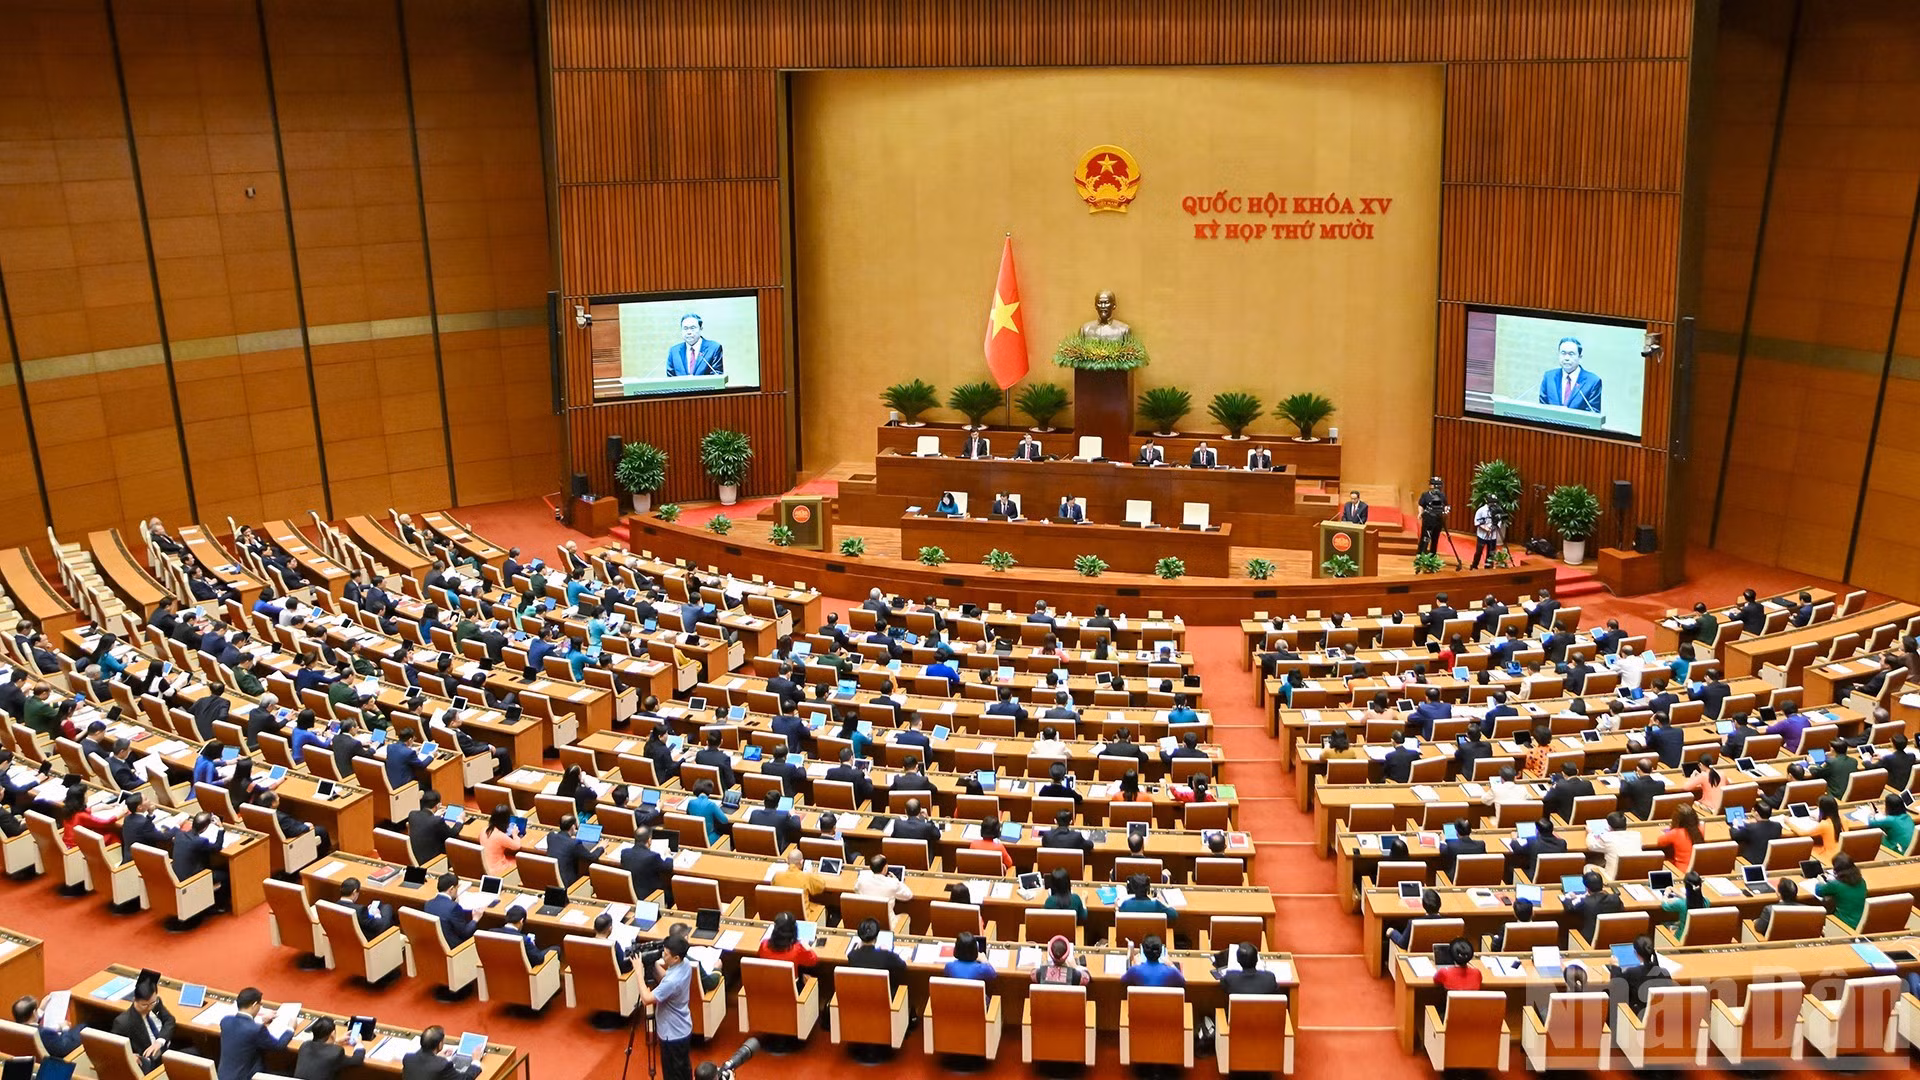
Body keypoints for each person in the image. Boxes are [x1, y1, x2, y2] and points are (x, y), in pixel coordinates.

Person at [218, 986, 294, 1080]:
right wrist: (290, 1028)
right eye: (260, 1004)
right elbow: (278, 1046)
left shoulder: (225, 1021)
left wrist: (262, 1021)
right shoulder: (257, 1029)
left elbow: (242, 1029)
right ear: (254, 1005)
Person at [112, 978, 176, 1069]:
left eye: (152, 1003)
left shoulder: (155, 1002)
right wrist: (129, 1056)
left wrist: (159, 1042)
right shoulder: (123, 1022)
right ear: (134, 1000)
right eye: (144, 1005)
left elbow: (169, 1020)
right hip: (151, 1062)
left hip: (168, 1049)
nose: (150, 1008)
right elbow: (115, 1048)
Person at [1537, 336, 1601, 411]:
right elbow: (1542, 410)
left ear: (1580, 357)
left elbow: (1593, 413)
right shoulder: (1549, 377)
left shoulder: (1592, 382)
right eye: (1563, 353)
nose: (1566, 358)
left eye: (1571, 354)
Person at [845, 916, 909, 989]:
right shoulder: (886, 955)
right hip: (883, 993)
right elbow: (903, 966)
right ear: (876, 936)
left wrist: (855, 949)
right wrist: (887, 951)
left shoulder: (852, 955)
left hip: (861, 992)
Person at [293, 1017, 366, 1080]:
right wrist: (359, 1044)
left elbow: (323, 1050)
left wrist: (336, 1042)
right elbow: (357, 1061)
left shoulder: (305, 1046)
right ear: (333, 1033)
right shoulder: (336, 1052)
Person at [13, 994, 82, 1058]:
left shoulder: (15, 1030)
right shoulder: (45, 1033)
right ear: (34, 1013)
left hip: (33, 1060)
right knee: (83, 1027)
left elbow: (30, 1022)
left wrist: (40, 1010)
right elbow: (65, 1048)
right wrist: (65, 1028)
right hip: (59, 1059)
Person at [1565, 871, 1625, 944]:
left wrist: (1567, 898)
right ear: (1602, 885)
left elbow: (1570, 908)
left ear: (1587, 888)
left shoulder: (1586, 902)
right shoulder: (1615, 899)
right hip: (1613, 939)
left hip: (1588, 942)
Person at [402, 1026, 481, 1080]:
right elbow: (465, 1079)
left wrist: (436, 1057)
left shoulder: (408, 1058)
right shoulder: (443, 1066)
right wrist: (476, 1061)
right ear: (440, 1044)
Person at [546, 814, 604, 886]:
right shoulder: (574, 843)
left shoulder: (551, 836)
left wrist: (570, 839)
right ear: (573, 827)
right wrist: (601, 847)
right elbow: (592, 857)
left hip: (551, 880)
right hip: (568, 884)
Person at [423, 872, 478, 945]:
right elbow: (465, 933)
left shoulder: (428, 904)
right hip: (455, 948)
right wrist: (475, 919)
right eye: (457, 888)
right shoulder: (453, 907)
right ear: (451, 889)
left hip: (435, 944)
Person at [406, 790, 459, 865]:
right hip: (433, 862)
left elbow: (425, 822)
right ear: (437, 806)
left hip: (417, 857)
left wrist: (433, 816)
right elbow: (452, 834)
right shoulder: (437, 821)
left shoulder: (412, 815)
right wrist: (460, 821)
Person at [1586, 812, 1645, 879]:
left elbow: (1591, 846)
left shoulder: (1606, 838)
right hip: (1634, 876)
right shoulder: (1637, 835)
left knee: (1587, 867)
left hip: (1612, 879)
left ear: (1609, 826)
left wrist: (1590, 833)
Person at [1120, 935, 1185, 987]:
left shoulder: (1135, 970)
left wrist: (1137, 965)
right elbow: (1182, 982)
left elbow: (1122, 981)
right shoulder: (1172, 972)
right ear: (1161, 952)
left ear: (1144, 952)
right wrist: (1171, 965)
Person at [480, 803, 522, 877]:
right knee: (520, 863)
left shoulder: (483, 830)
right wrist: (515, 835)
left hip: (485, 867)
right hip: (497, 870)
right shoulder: (500, 836)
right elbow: (517, 846)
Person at [1416, 476, 1448, 556]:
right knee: (1425, 537)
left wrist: (1445, 513)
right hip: (1428, 518)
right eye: (1435, 484)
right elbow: (1421, 505)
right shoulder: (1425, 495)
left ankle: (1432, 554)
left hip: (1438, 519)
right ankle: (1421, 553)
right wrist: (1420, 513)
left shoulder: (1442, 495)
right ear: (1431, 486)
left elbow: (1445, 505)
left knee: (1435, 537)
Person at [1470, 495, 1502, 569]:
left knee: (1491, 553)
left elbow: (1499, 522)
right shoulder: (1481, 510)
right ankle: (1474, 565)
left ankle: (1488, 567)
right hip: (1482, 535)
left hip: (1493, 536)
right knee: (1479, 552)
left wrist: (1492, 529)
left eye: (1495, 502)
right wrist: (1486, 529)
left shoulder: (1498, 510)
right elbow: (1477, 522)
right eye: (1492, 502)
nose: (1493, 504)